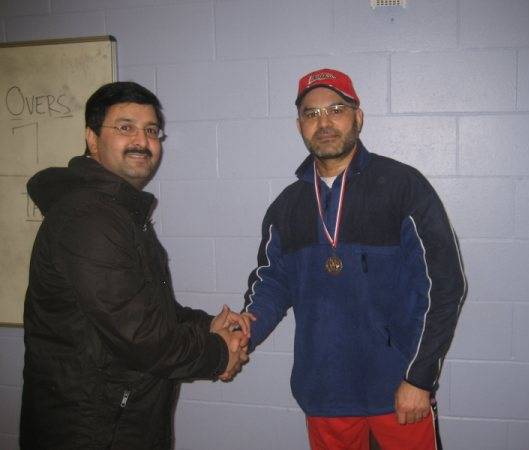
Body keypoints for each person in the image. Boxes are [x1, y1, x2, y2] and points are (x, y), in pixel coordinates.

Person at [20, 81, 253, 450]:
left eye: (151, 130)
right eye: (125, 127)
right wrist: (218, 352)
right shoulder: (90, 219)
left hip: (117, 416)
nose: (142, 142)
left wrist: (205, 324)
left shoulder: (116, 212)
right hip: (92, 428)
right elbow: (143, 340)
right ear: (92, 139)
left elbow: (146, 309)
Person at [243, 69, 466, 450]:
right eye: (311, 114)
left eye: (336, 109)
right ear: (299, 125)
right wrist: (241, 332)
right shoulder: (286, 206)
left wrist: (420, 377)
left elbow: (445, 285)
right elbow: (272, 285)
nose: (324, 122)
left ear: (357, 117)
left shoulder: (403, 187)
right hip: (325, 393)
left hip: (400, 392)